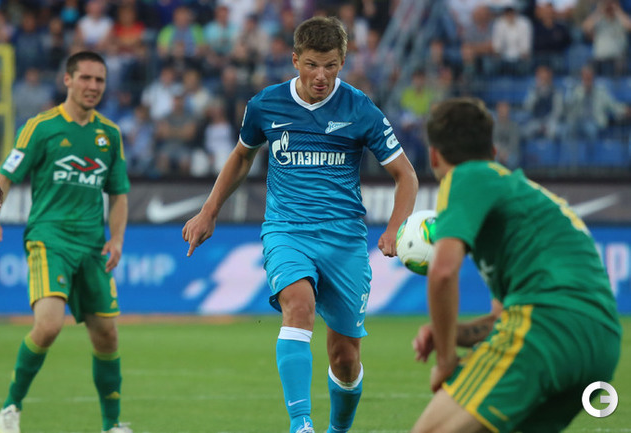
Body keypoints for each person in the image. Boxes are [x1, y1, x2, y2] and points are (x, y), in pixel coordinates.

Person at [183, 16, 418, 433]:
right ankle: (300, 424)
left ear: (342, 62)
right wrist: (209, 210)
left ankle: (337, 430)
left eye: (330, 66)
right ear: (295, 60)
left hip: (344, 239)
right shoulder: (265, 105)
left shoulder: (360, 109)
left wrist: (395, 229)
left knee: (345, 358)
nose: (320, 76)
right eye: (311, 64)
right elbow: (242, 156)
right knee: (298, 304)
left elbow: (407, 176)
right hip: (287, 230)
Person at [411, 97, 621, 433]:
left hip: (547, 325)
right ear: (494, 151)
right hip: (602, 343)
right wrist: (448, 333)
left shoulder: (466, 176)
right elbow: (500, 319)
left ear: (434, 155)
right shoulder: (523, 197)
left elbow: (443, 271)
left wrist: (446, 360)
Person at [0, 51, 132, 433]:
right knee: (49, 325)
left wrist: (116, 239)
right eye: (85, 78)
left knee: (107, 335)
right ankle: (11, 408)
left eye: (99, 80)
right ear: (67, 80)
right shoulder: (41, 127)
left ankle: (112, 425)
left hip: (93, 246)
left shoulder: (110, 135)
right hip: (49, 239)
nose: (93, 86)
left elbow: (118, 194)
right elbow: (5, 176)